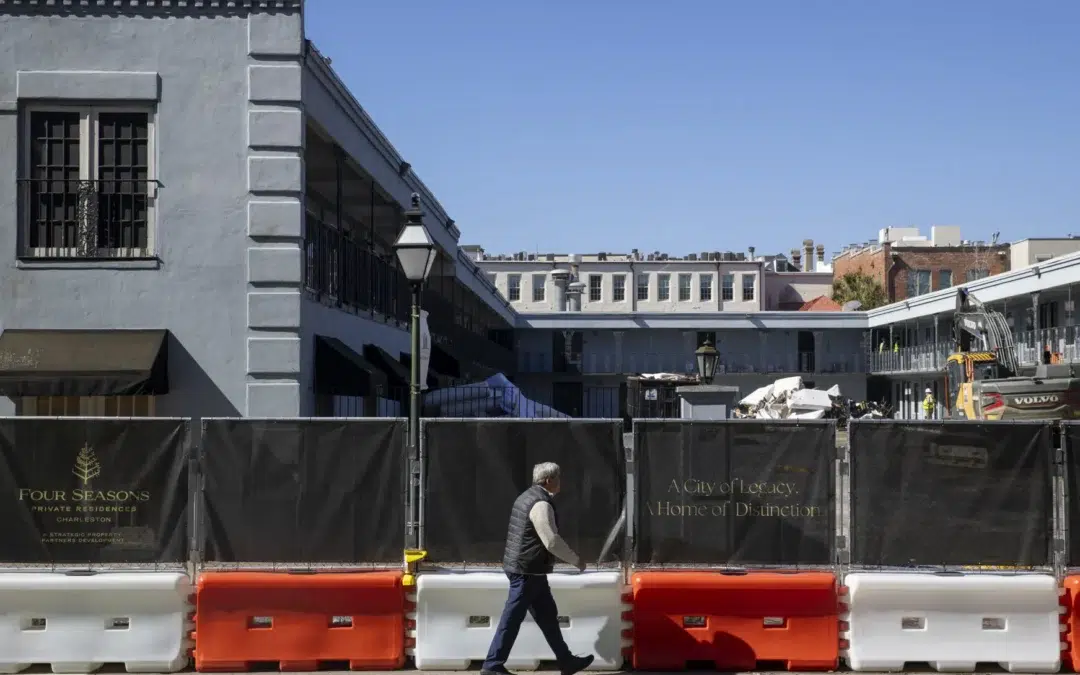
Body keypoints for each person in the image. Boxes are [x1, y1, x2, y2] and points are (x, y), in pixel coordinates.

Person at [481, 462, 595, 675]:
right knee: (512, 618)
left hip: (529, 569)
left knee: (548, 616)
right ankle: (492, 664)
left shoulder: (526, 496)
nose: (561, 482)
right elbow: (551, 541)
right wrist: (576, 560)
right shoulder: (541, 503)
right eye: (558, 478)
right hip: (527, 571)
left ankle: (566, 660)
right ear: (549, 480)